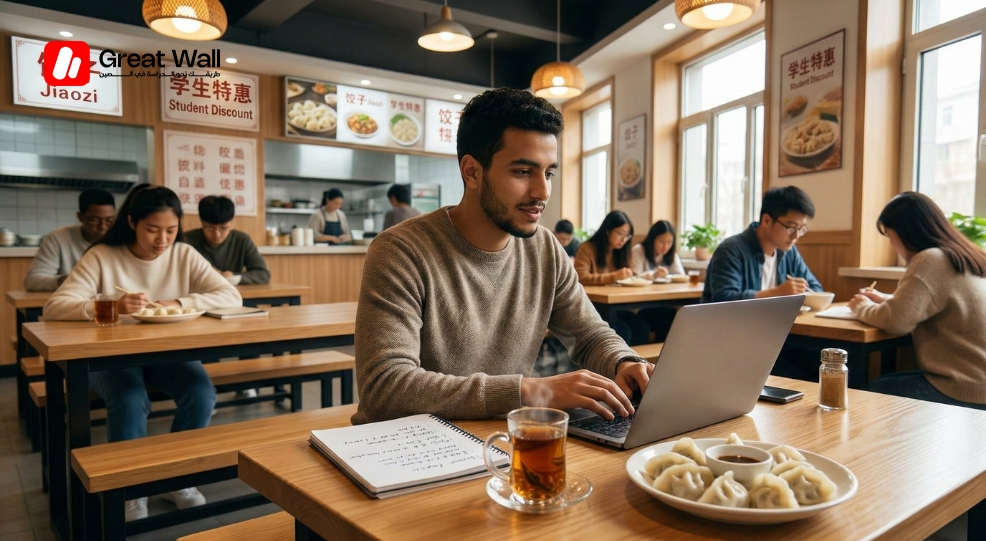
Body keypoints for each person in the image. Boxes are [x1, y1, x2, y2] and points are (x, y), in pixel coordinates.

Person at [353, 88, 652, 425]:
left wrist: (624, 362)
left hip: (501, 438)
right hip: (411, 449)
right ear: (472, 172)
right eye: (523, 172)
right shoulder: (401, 251)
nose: (542, 192)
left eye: (549, 173)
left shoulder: (545, 248)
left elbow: (589, 334)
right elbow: (384, 389)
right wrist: (532, 392)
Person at [43, 185, 242, 521]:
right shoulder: (102, 255)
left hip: (166, 352)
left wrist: (180, 302)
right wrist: (110, 305)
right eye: (152, 229)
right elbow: (54, 306)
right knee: (130, 397)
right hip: (109, 357)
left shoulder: (183, 254)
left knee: (201, 392)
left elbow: (230, 296)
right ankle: (130, 489)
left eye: (171, 229)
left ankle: (176, 477)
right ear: (132, 222)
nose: (162, 240)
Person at [848, 192, 986, 410]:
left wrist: (862, 306)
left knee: (862, 395)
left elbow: (896, 322)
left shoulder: (931, 259)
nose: (891, 242)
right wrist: (885, 299)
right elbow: (936, 304)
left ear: (904, 232)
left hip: (961, 387)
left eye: (889, 234)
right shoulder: (965, 256)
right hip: (977, 383)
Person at [702, 186, 822, 303]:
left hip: (777, 323)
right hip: (732, 323)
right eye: (791, 227)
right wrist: (777, 293)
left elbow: (815, 290)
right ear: (766, 221)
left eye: (801, 228)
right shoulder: (731, 250)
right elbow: (723, 301)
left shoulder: (790, 253)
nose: (796, 236)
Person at [574, 211, 651, 345]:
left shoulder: (622, 252)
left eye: (627, 236)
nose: (623, 239)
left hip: (617, 306)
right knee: (623, 331)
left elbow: (630, 277)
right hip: (593, 308)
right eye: (620, 234)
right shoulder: (587, 248)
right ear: (608, 231)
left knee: (641, 328)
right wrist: (614, 276)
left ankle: (637, 364)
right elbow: (581, 277)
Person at [24, 189, 116, 291]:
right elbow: (32, 281)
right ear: (80, 217)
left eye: (109, 221)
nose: (103, 227)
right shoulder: (58, 238)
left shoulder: (121, 240)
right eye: (94, 220)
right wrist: (66, 280)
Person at [184, 195, 271, 285]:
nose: (216, 234)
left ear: (232, 223)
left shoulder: (242, 240)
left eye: (223, 228)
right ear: (202, 222)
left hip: (231, 295)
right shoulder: (187, 240)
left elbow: (263, 274)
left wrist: (233, 276)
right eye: (210, 228)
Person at [632, 220, 686, 343]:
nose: (665, 246)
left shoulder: (671, 254)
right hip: (640, 304)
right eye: (661, 242)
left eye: (669, 242)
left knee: (676, 317)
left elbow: (680, 276)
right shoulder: (639, 250)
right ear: (652, 239)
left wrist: (668, 276)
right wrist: (654, 274)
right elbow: (634, 278)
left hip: (664, 302)